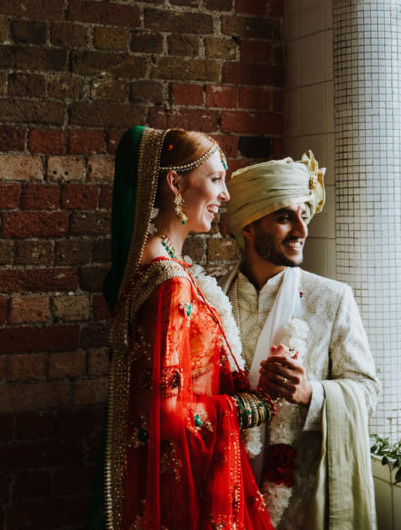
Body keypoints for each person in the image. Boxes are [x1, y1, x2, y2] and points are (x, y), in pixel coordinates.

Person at [92, 126, 277, 530]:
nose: (225, 195)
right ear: (175, 183)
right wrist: (250, 406)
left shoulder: (157, 261)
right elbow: (167, 414)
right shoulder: (169, 280)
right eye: (215, 179)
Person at [219, 153, 379, 530]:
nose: (302, 230)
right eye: (285, 217)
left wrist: (311, 392)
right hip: (223, 489)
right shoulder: (212, 297)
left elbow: (367, 391)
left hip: (305, 501)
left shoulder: (332, 298)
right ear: (248, 227)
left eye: (304, 215)